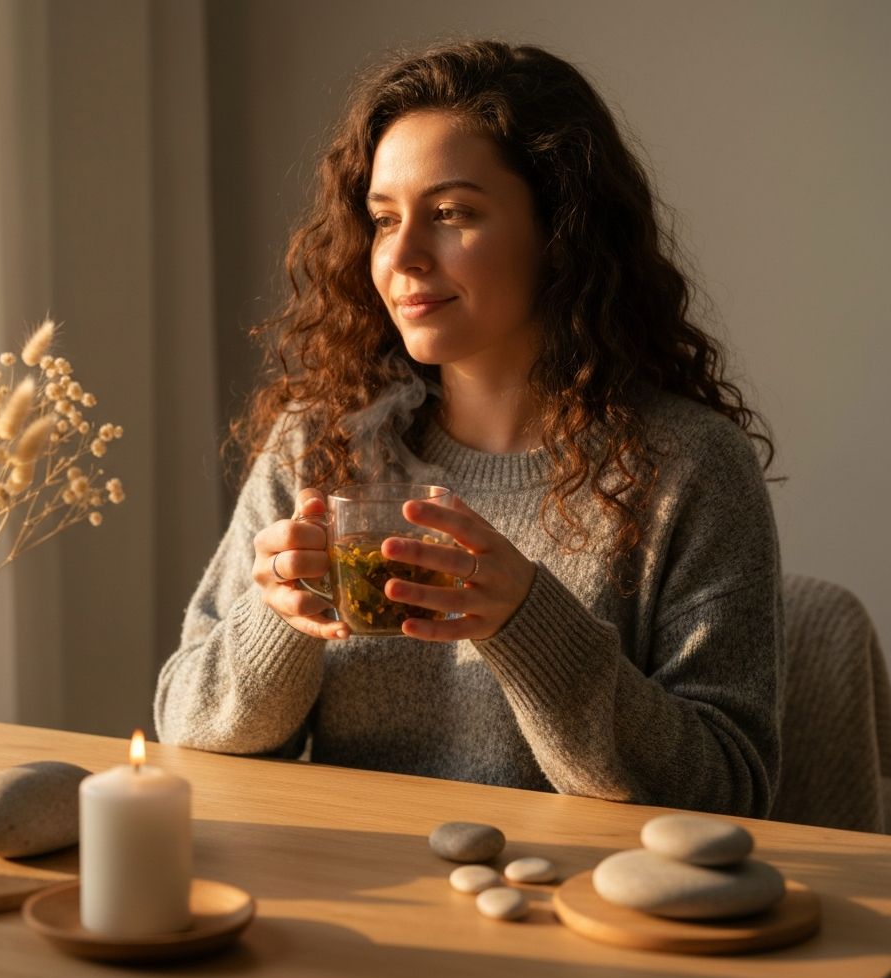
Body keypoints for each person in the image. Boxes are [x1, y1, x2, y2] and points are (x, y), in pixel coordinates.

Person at [155, 40, 784, 818]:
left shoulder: (687, 469)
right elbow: (186, 724)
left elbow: (728, 788)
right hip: (361, 894)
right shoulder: (322, 442)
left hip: (574, 915)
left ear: (562, 230)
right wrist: (279, 623)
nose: (404, 256)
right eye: (384, 220)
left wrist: (530, 621)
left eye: (451, 214)